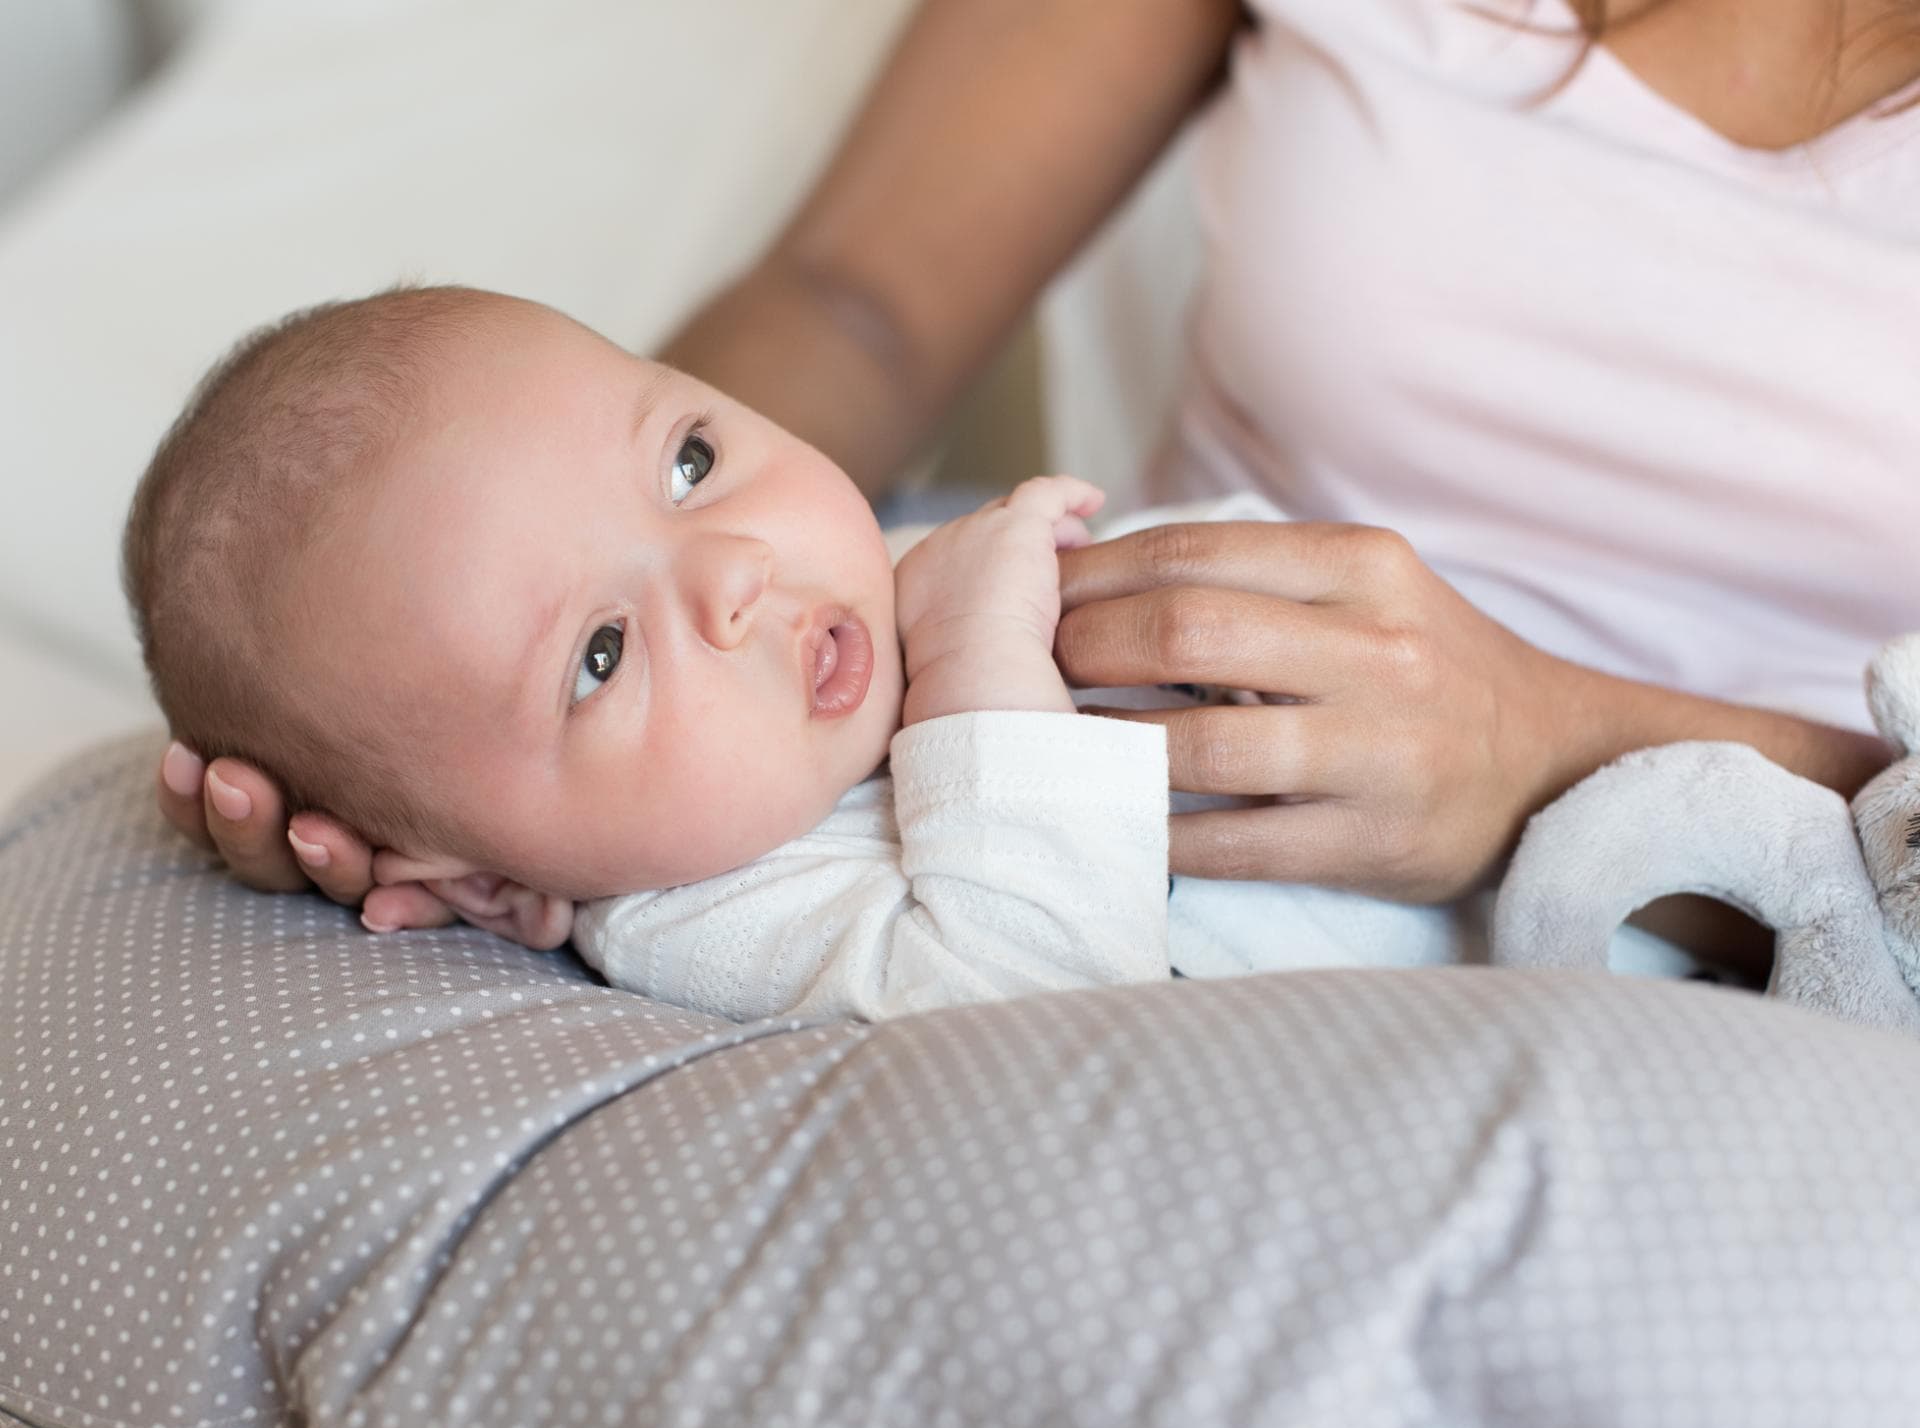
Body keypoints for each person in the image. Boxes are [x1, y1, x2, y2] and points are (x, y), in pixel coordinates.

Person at [155, 0, 1916, 963]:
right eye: (688, 456)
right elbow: (857, 301)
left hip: (1753, 926)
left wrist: (1553, 753)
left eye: (696, 469)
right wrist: (437, 689)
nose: (732, 569)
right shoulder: (711, 811)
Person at [129, 285, 1542, 1022]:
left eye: (690, 461)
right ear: (496, 886)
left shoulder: (899, 577)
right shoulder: (714, 905)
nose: (736, 573)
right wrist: (979, 659)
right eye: (602, 655)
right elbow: (1042, 1015)